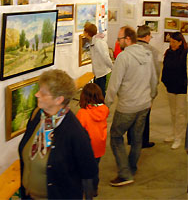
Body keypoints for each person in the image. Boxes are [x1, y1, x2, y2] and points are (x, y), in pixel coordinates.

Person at [18, 69, 98, 199]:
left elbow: (89, 173)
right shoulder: (37, 115)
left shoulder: (76, 133)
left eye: (43, 93)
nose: (37, 95)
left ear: (59, 99)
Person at [105, 26, 158, 187]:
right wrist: (151, 97)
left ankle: (124, 173)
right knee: (136, 139)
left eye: (119, 39)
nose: (118, 42)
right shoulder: (148, 54)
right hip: (144, 105)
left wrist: (106, 105)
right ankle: (131, 168)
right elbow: (154, 79)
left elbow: (114, 85)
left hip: (128, 106)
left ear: (128, 39)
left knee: (115, 136)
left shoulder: (123, 57)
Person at [127, 25, 160, 148]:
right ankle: (143, 141)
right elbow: (155, 74)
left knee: (131, 114)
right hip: (145, 90)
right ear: (146, 36)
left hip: (131, 89)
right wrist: (153, 94)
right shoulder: (152, 51)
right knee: (144, 117)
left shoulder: (130, 49)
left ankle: (131, 139)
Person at [76, 83, 109, 197]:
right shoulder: (104, 109)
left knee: (85, 173)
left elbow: (78, 132)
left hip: (87, 148)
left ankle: (87, 193)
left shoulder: (82, 113)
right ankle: (94, 189)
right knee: (95, 169)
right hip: (100, 145)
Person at [161, 32, 187, 149]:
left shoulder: (185, 54)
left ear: (180, 42)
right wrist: (165, 82)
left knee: (180, 114)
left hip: (182, 88)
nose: (171, 44)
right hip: (171, 87)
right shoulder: (169, 52)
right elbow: (165, 68)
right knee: (173, 112)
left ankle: (178, 137)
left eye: (174, 42)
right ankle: (174, 132)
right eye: (170, 42)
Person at [83, 22, 113, 97]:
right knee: (97, 92)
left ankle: (103, 107)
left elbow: (105, 57)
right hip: (98, 72)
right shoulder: (93, 41)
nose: (83, 32)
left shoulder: (98, 43)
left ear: (87, 33)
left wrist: (113, 67)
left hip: (102, 72)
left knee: (101, 93)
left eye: (84, 31)